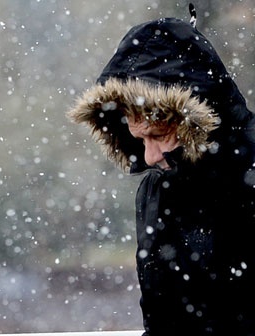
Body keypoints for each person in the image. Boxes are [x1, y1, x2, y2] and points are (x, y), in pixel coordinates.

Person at [67, 5, 255, 336]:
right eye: (140, 140)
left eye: (159, 135)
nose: (151, 157)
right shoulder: (158, 191)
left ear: (196, 116)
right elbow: (163, 322)